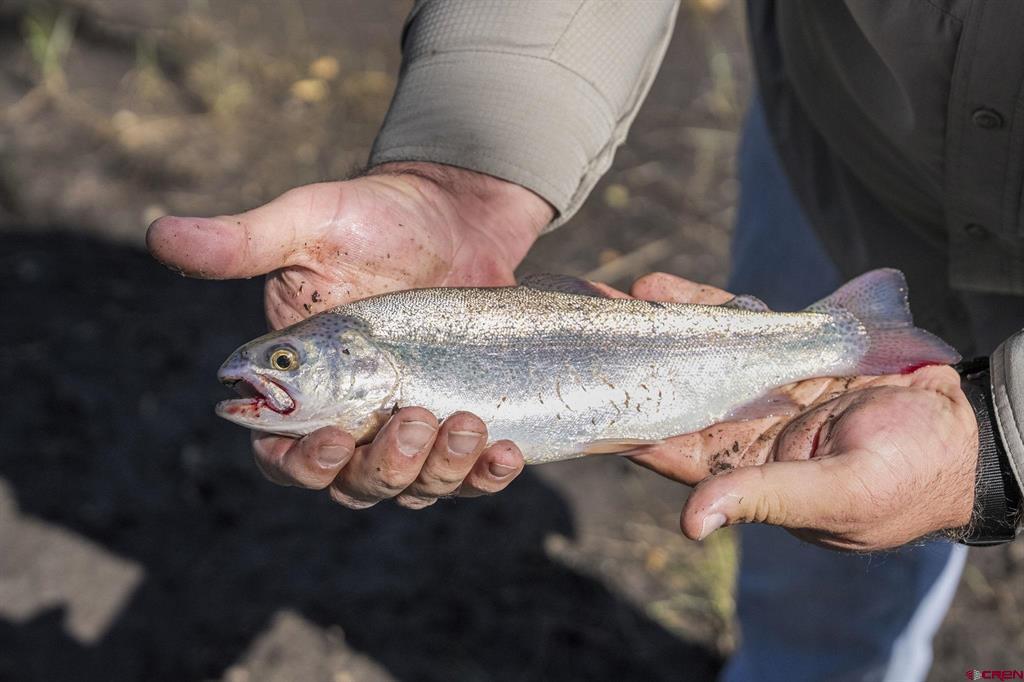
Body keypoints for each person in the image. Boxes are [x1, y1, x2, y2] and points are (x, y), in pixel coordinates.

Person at [146, 1, 1024, 679]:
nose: (265, 370)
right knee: (808, 533)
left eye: (287, 360)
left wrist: (1001, 447)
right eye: (285, 363)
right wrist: (465, 156)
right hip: (854, 136)